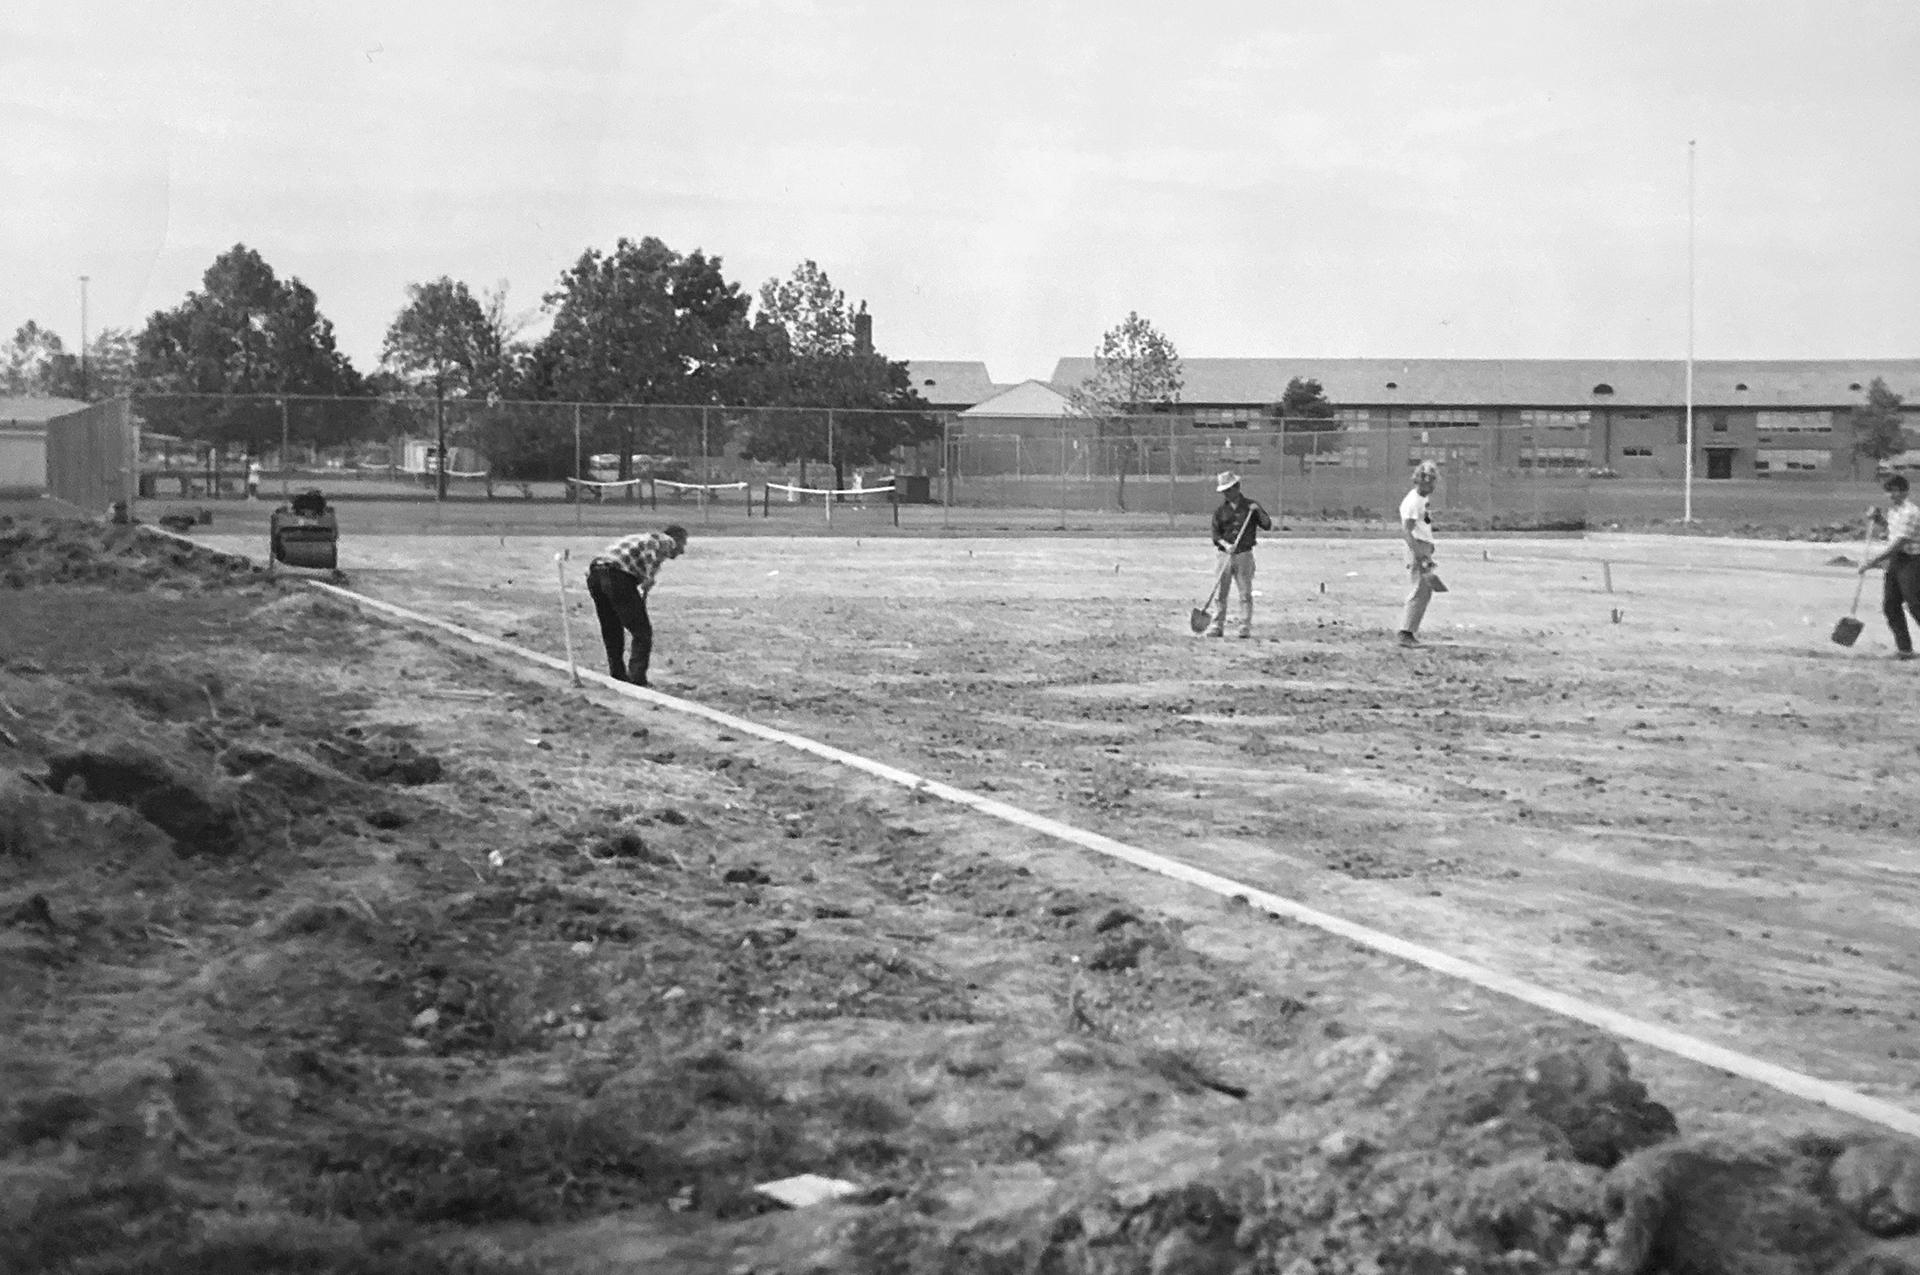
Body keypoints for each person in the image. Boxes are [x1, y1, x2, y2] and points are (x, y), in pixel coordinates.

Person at [586, 525, 688, 685]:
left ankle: (618, 676)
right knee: (642, 632)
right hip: (616, 574)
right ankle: (637, 679)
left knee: (612, 628)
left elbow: (651, 556)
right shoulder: (666, 541)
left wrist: (649, 575)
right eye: (683, 544)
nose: (682, 551)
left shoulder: (644, 546)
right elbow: (654, 544)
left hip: (595, 575)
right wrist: (648, 576)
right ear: (677, 539)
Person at [1205, 471, 1272, 639]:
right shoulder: (1220, 512)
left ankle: (1244, 626)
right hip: (1224, 556)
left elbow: (1267, 524)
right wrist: (1226, 545)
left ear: (1237, 488)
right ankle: (1217, 625)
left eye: (1229, 490)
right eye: (1224, 491)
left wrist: (1259, 512)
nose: (1226, 494)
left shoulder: (1251, 507)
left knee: (1245, 593)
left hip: (1244, 555)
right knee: (1221, 593)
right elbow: (1216, 536)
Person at [1861, 473, 1920, 660]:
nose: (1891, 496)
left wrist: (1874, 561)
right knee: (1890, 605)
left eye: (1894, 491)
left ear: (1904, 492)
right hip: (1897, 561)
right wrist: (1879, 520)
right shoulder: (1894, 511)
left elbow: (1900, 542)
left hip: (1913, 560)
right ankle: (1905, 650)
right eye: (1888, 492)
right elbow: (1892, 531)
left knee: (1914, 604)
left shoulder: (1911, 512)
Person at [1397, 461, 1441, 648]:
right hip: (1418, 548)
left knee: (1426, 589)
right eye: (1428, 481)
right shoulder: (1413, 501)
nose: (1432, 485)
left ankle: (1410, 630)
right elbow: (1407, 531)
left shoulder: (1422, 499)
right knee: (1420, 589)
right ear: (1420, 481)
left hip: (1424, 547)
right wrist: (1419, 554)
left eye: (1433, 480)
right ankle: (1405, 632)